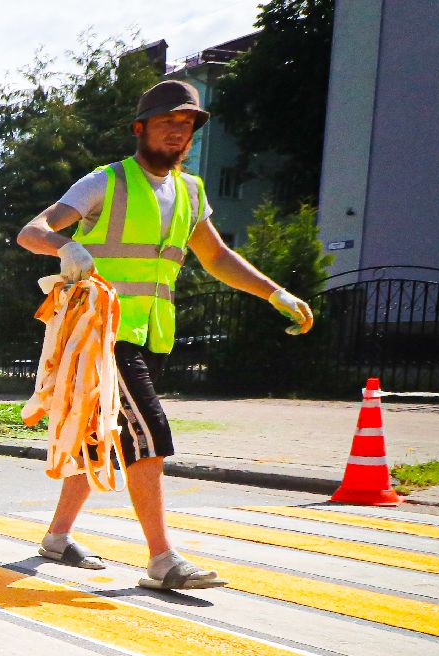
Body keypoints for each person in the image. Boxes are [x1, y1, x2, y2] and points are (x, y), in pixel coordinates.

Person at [16, 79, 314, 590]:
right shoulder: (105, 181)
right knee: (148, 432)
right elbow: (31, 231)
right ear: (140, 128)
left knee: (100, 436)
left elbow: (217, 256)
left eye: (186, 124)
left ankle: (57, 538)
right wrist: (63, 245)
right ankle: (161, 560)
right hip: (102, 332)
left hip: (153, 334)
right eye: (167, 122)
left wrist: (274, 293)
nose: (178, 132)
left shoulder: (190, 192)